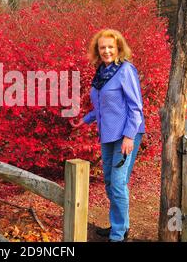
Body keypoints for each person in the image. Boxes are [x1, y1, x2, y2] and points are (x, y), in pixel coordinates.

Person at [70, 29, 146, 242]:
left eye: (111, 47)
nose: (106, 51)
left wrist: (129, 137)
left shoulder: (125, 70)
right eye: (102, 47)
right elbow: (101, 109)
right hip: (107, 135)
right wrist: (84, 120)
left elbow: (136, 108)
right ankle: (119, 224)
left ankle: (119, 234)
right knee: (109, 181)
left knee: (118, 183)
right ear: (97, 50)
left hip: (126, 135)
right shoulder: (101, 74)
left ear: (118, 48)